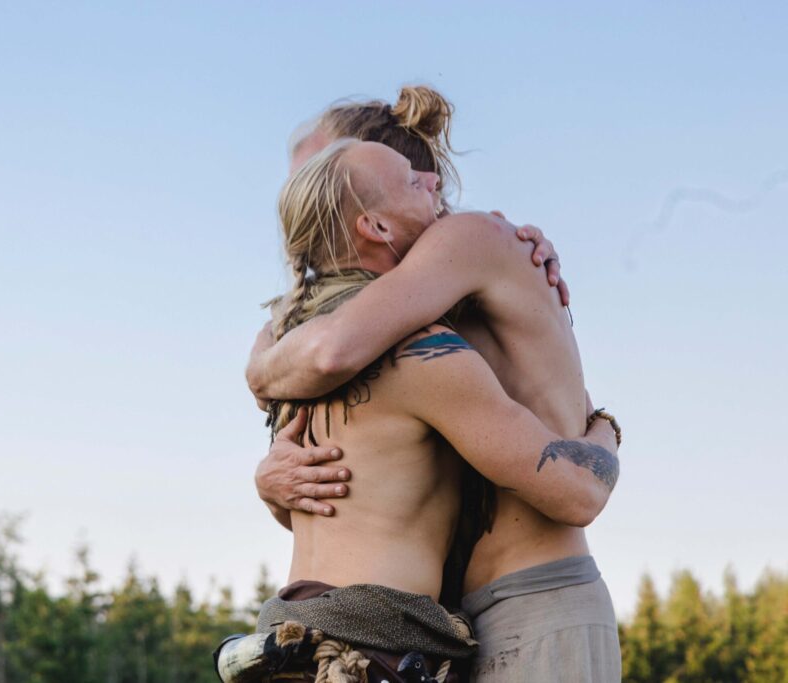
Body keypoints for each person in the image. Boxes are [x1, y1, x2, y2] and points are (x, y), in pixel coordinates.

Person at [246, 88, 622, 682]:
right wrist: (271, 484)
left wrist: (604, 428)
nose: (301, 201)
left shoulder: (458, 254)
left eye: (319, 172)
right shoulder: (396, 311)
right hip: (427, 628)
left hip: (530, 593)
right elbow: (360, 500)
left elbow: (328, 350)